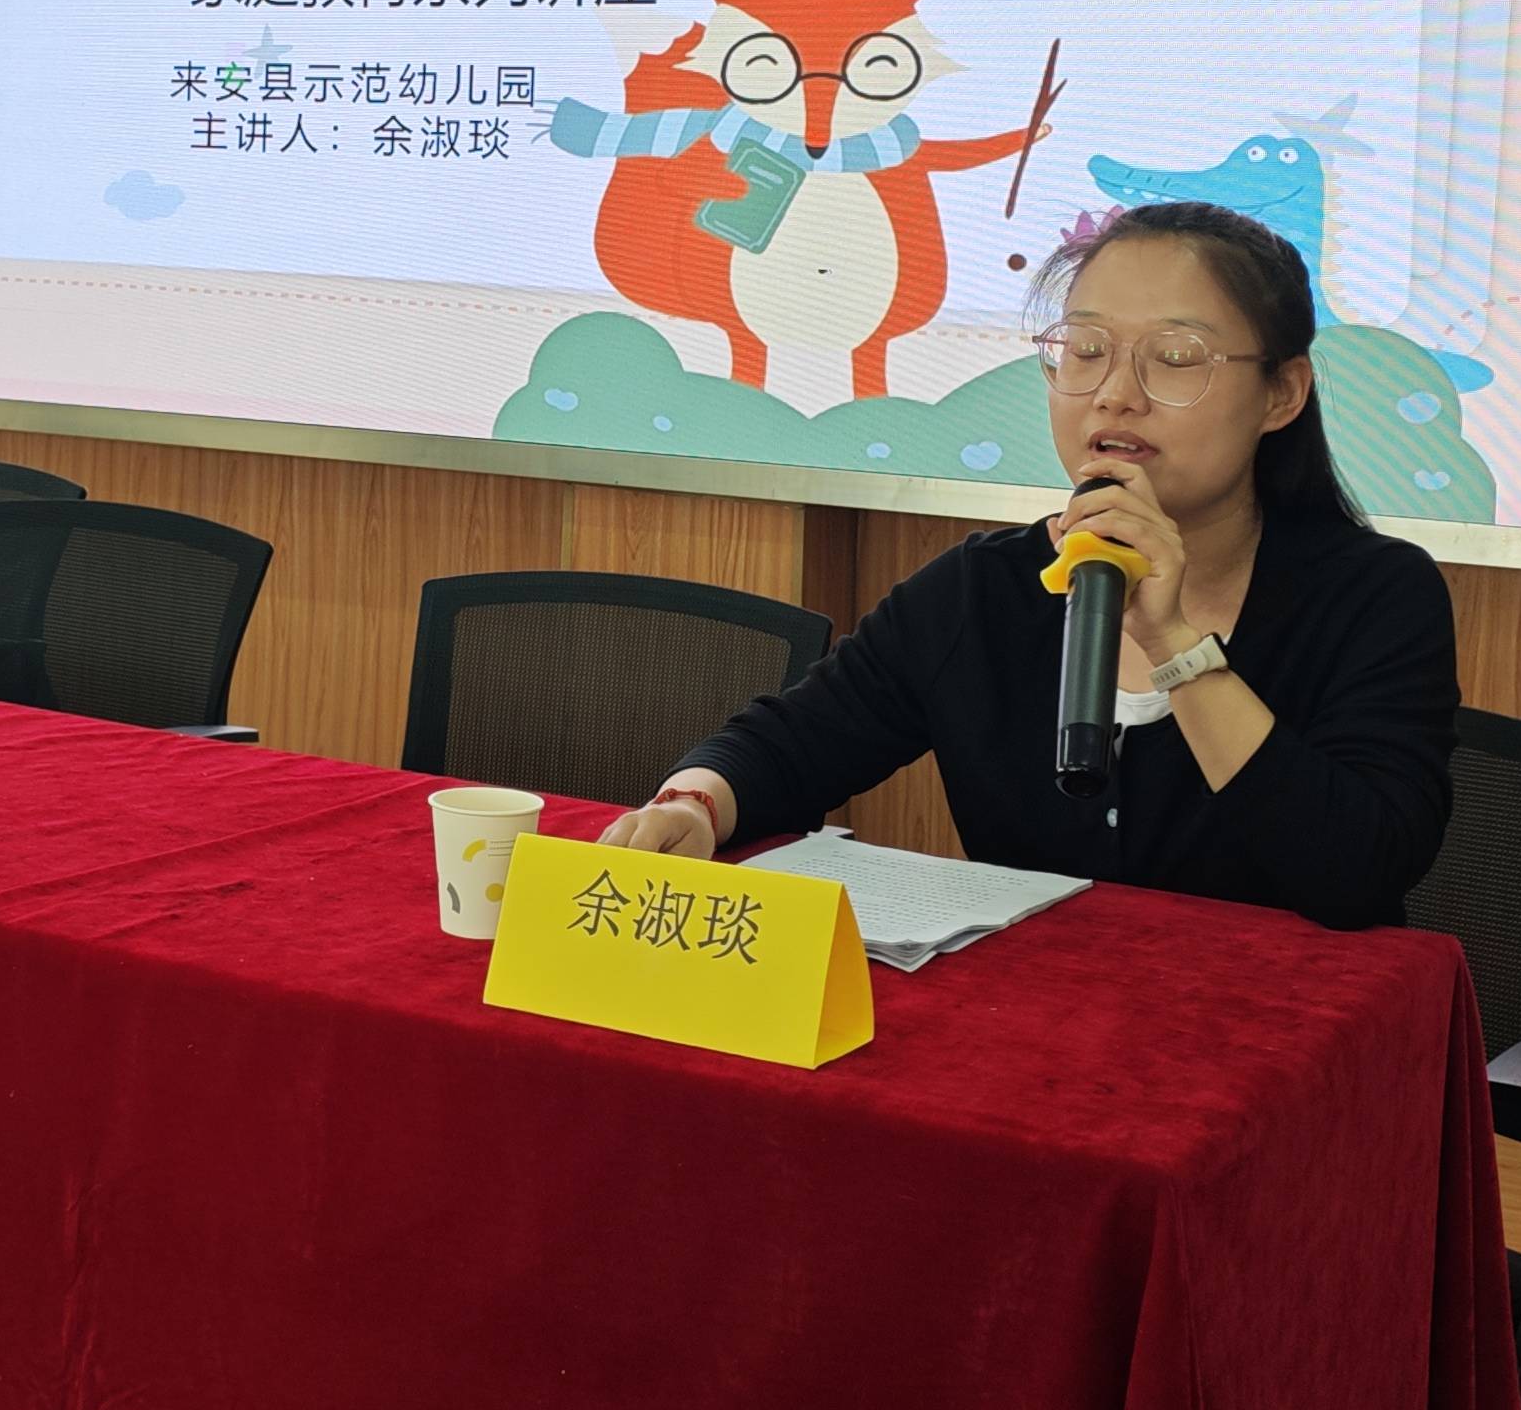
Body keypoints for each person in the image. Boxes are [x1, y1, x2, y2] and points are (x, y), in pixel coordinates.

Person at [596, 199, 1455, 929]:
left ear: (1282, 393)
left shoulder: (1374, 595)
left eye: (1175, 359)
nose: (1115, 393)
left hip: (1279, 1041)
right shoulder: (985, 590)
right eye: (1085, 351)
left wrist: (1174, 644)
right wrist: (696, 802)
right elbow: (792, 744)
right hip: (1039, 1034)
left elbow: (1357, 871)